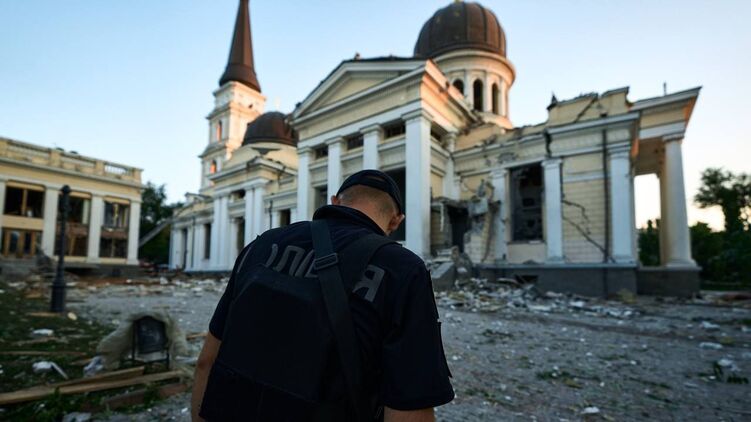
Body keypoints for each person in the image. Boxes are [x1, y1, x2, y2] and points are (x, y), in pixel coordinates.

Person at [192, 170, 454, 421]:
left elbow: (206, 362)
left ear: (336, 202)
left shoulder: (261, 245)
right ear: (397, 221)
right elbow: (408, 409)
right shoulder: (403, 269)